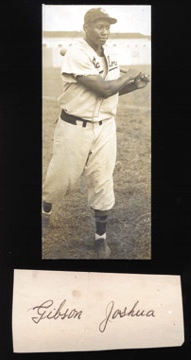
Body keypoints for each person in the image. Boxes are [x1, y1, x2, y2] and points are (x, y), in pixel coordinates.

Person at [42, 7, 150, 259]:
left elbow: (111, 91)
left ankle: (100, 239)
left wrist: (133, 85)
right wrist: (129, 75)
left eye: (108, 27)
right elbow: (102, 88)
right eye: (99, 26)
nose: (104, 31)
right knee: (61, 179)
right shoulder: (76, 53)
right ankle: (45, 211)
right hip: (74, 126)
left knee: (102, 180)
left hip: (104, 128)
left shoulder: (110, 54)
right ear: (86, 27)